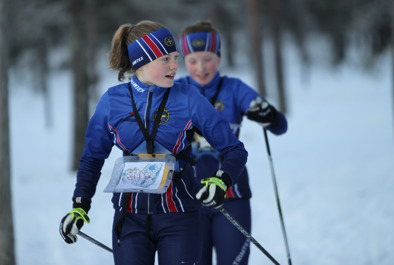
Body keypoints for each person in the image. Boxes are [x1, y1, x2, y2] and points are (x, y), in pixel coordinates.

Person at [59, 20, 248, 265]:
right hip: (129, 218)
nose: (174, 66)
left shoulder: (188, 97)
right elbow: (92, 158)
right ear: (142, 62)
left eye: (175, 57)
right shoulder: (112, 101)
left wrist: (221, 181)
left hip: (180, 214)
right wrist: (80, 205)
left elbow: (234, 150)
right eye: (165, 59)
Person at [176, 20, 288, 265]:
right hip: (187, 200)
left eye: (208, 59)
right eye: (193, 60)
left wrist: (268, 115)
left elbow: (280, 126)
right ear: (184, 61)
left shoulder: (234, 89)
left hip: (232, 196)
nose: (201, 67)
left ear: (219, 57)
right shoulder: (176, 90)